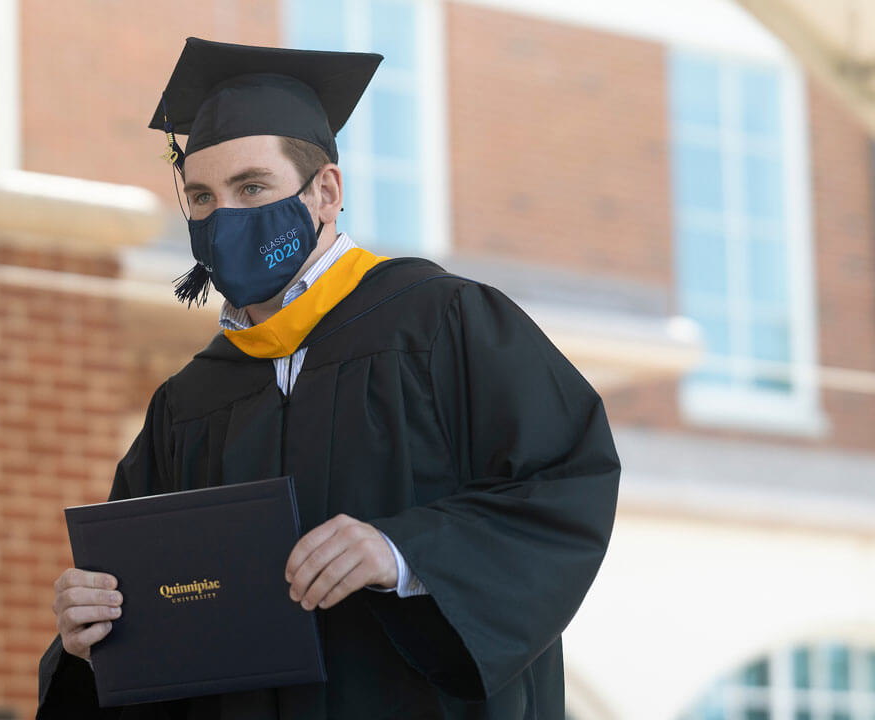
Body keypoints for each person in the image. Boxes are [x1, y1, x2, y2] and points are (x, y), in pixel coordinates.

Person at [36, 37, 620, 720]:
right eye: (201, 196)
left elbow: (563, 483)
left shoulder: (442, 323)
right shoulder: (187, 404)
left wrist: (403, 551)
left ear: (324, 192)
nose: (224, 218)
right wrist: (91, 642)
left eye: (252, 187)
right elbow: (158, 619)